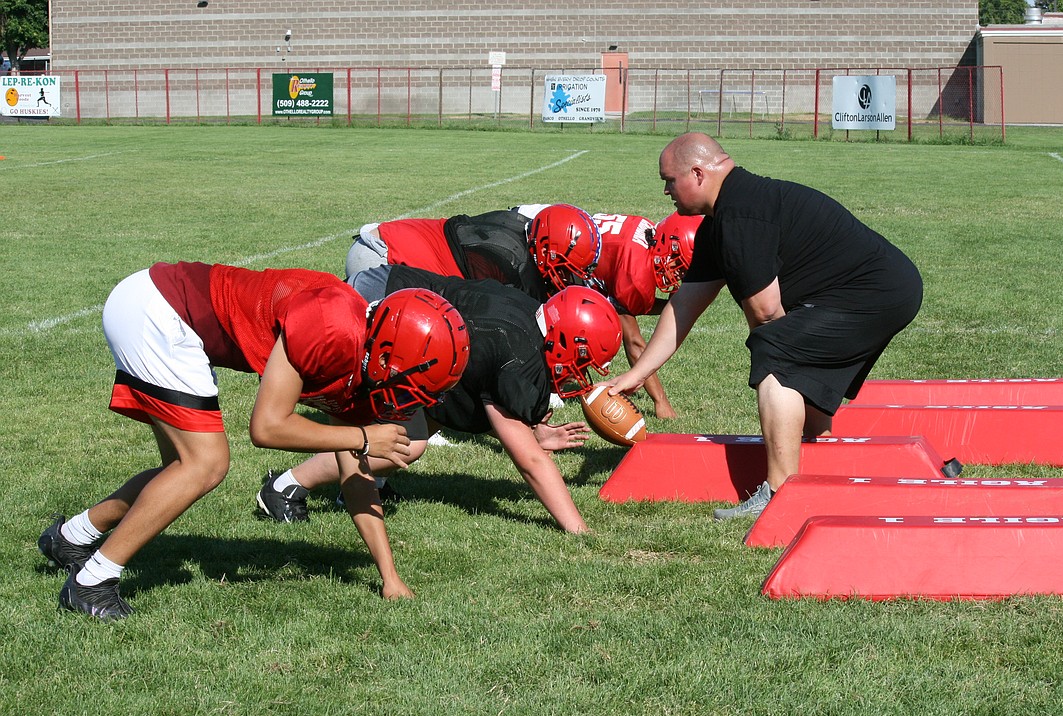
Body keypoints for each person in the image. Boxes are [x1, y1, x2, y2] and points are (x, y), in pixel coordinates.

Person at [37, 261, 469, 620]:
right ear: (390, 354)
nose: (414, 401)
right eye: (415, 384)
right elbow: (266, 426)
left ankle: (71, 537)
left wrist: (389, 577)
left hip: (163, 311)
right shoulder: (335, 327)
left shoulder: (364, 355)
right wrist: (362, 435)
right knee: (204, 464)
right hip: (158, 308)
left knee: (180, 471)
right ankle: (91, 583)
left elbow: (354, 474)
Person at [606, 132, 923, 521]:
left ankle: (780, 495)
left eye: (670, 181)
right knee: (787, 350)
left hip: (872, 294)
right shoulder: (719, 222)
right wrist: (637, 374)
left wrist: (775, 351)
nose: (667, 191)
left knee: (775, 350)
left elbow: (767, 312)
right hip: (880, 290)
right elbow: (684, 305)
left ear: (698, 173)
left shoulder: (739, 215)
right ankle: (819, 451)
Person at [258, 264, 623, 535]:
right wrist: (578, 528)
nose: (579, 374)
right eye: (582, 360)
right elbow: (527, 460)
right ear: (562, 340)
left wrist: (533, 429)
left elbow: (474, 395)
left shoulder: (527, 322)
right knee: (408, 441)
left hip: (412, 321)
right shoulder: (517, 351)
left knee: (426, 419)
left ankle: (367, 485)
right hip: (388, 316)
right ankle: (285, 487)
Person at [344, 204, 602, 302]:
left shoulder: (520, 229)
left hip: (390, 242)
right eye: (567, 268)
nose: (570, 276)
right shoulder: (511, 261)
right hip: (383, 259)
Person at [591, 210, 702, 419]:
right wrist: (660, 401)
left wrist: (679, 305)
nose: (678, 274)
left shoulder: (650, 233)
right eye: (678, 265)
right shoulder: (634, 275)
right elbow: (634, 343)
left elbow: (637, 305)